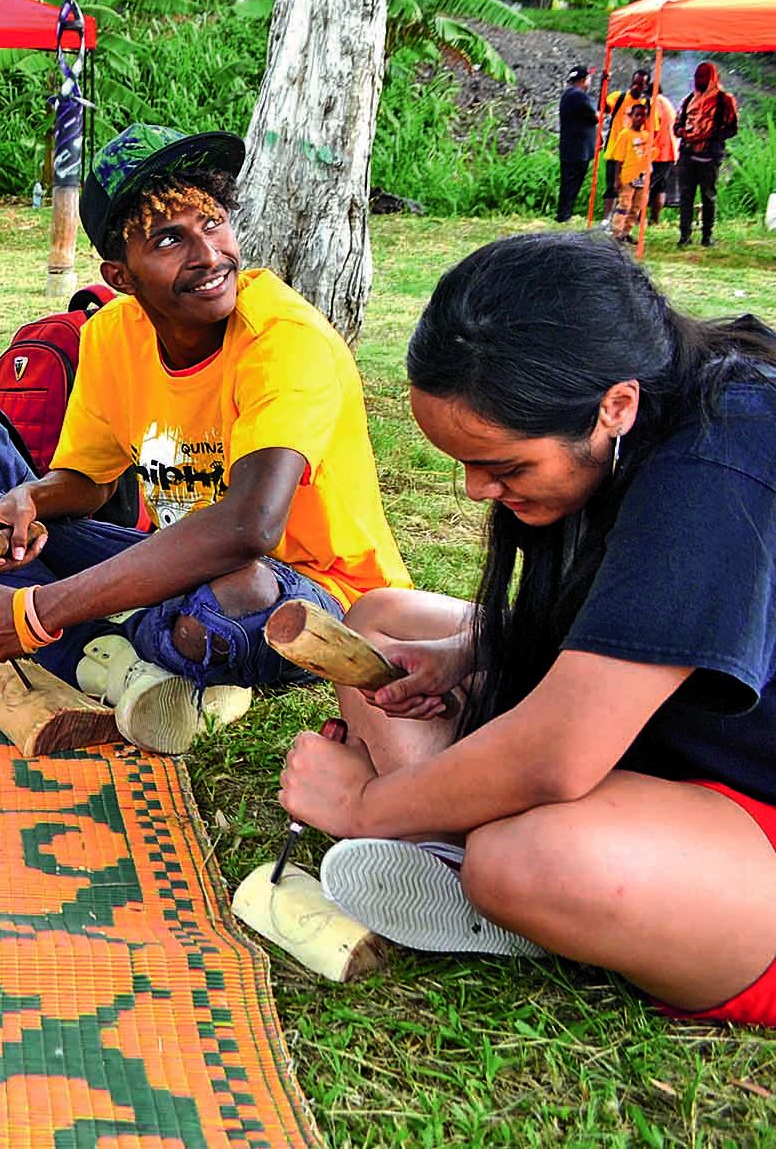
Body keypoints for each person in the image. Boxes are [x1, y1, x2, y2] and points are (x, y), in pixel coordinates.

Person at [282, 232, 776, 1028]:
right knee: (380, 623)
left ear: (614, 405)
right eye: (466, 465)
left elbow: (558, 753)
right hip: (659, 744)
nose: (479, 491)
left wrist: (368, 804)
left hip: (753, 805)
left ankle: (501, 879)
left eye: (505, 467)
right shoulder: (645, 405)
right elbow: (638, 617)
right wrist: (463, 653)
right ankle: (462, 854)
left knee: (527, 860)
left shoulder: (724, 452)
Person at [0, 124, 411, 755]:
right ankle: (144, 668)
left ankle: (111, 657)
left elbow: (249, 528)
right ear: (121, 274)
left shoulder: (284, 338)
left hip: (311, 592)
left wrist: (39, 613)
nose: (209, 254)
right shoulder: (112, 335)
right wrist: (32, 499)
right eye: (170, 239)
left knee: (223, 604)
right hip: (175, 562)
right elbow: (88, 482)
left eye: (214, 222)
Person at [676, 61, 740, 248]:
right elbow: (678, 122)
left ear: (712, 78)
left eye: (703, 76)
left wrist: (710, 137)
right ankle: (684, 236)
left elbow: (732, 128)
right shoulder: (689, 99)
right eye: (697, 76)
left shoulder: (724, 100)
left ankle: (707, 236)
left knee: (708, 195)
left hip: (710, 156)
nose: (698, 80)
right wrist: (681, 131)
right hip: (687, 153)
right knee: (685, 195)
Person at [604, 88, 657, 243]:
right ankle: (616, 232)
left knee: (636, 207)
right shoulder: (625, 135)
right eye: (637, 115)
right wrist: (617, 179)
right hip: (627, 177)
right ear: (631, 117)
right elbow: (618, 159)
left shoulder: (647, 136)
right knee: (624, 205)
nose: (640, 118)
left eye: (643, 115)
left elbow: (650, 156)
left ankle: (626, 232)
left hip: (642, 176)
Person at [555, 65, 597, 223]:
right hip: (578, 148)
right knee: (572, 181)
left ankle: (565, 213)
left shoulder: (569, 94)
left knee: (569, 181)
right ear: (582, 80)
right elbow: (594, 116)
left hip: (572, 146)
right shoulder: (578, 96)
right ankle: (564, 214)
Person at [645, 86, 677, 225]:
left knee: (645, 186)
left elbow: (653, 126)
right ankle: (655, 220)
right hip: (670, 151)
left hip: (657, 152)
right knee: (660, 186)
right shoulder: (668, 103)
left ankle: (637, 218)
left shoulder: (653, 102)